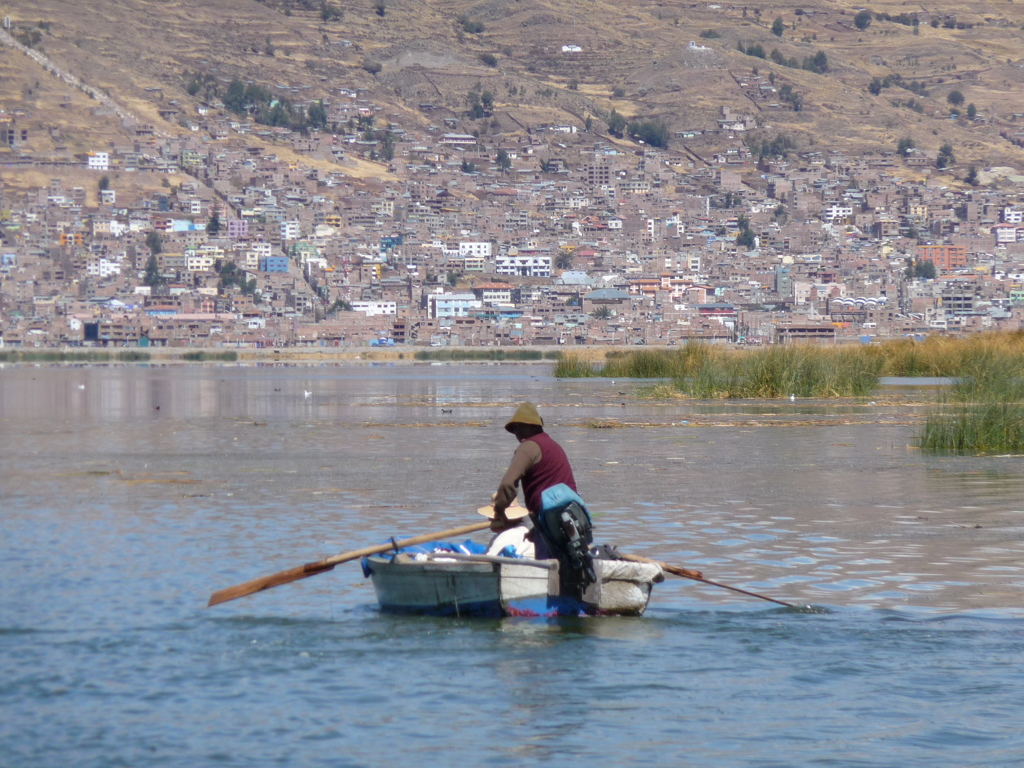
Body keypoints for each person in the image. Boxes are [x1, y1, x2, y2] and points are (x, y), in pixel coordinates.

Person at [493, 402, 595, 592]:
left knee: (547, 570)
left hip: (553, 522)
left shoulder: (528, 447)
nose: (516, 434)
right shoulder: (552, 445)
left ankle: (548, 600)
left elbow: (508, 484)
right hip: (569, 518)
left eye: (517, 428)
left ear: (528, 426)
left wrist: (500, 511)